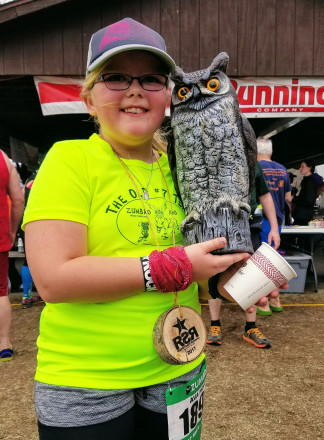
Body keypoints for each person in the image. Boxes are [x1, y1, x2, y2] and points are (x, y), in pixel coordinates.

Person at [23, 18, 281, 440]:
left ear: (167, 97)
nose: (135, 89)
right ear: (88, 99)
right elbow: (53, 279)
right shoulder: (69, 160)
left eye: (151, 78)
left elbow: (204, 263)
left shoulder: (176, 165)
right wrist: (176, 266)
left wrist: (241, 276)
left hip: (179, 367)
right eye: (116, 77)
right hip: (87, 381)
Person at [207, 161, 280, 349]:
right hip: (216, 226)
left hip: (249, 227)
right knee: (214, 273)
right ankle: (215, 325)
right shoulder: (212, 156)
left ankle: (250, 327)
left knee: (252, 277)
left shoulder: (251, 161)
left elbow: (264, 195)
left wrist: (274, 227)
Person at [257, 137, 292, 315]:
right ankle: (276, 300)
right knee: (273, 259)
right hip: (277, 220)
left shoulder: (256, 168)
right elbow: (288, 198)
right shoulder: (283, 169)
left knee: (262, 261)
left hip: (261, 220)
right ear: (270, 152)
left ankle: (266, 301)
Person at [0, 149, 25, 361]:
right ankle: (4, 345)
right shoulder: (3, 158)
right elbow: (18, 199)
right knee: (0, 293)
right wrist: (11, 230)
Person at [292, 159, 323, 226]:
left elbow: (308, 200)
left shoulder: (309, 182)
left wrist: (293, 199)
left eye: (302, 167)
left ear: (309, 168)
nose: (300, 169)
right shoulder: (308, 181)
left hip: (303, 215)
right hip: (303, 214)